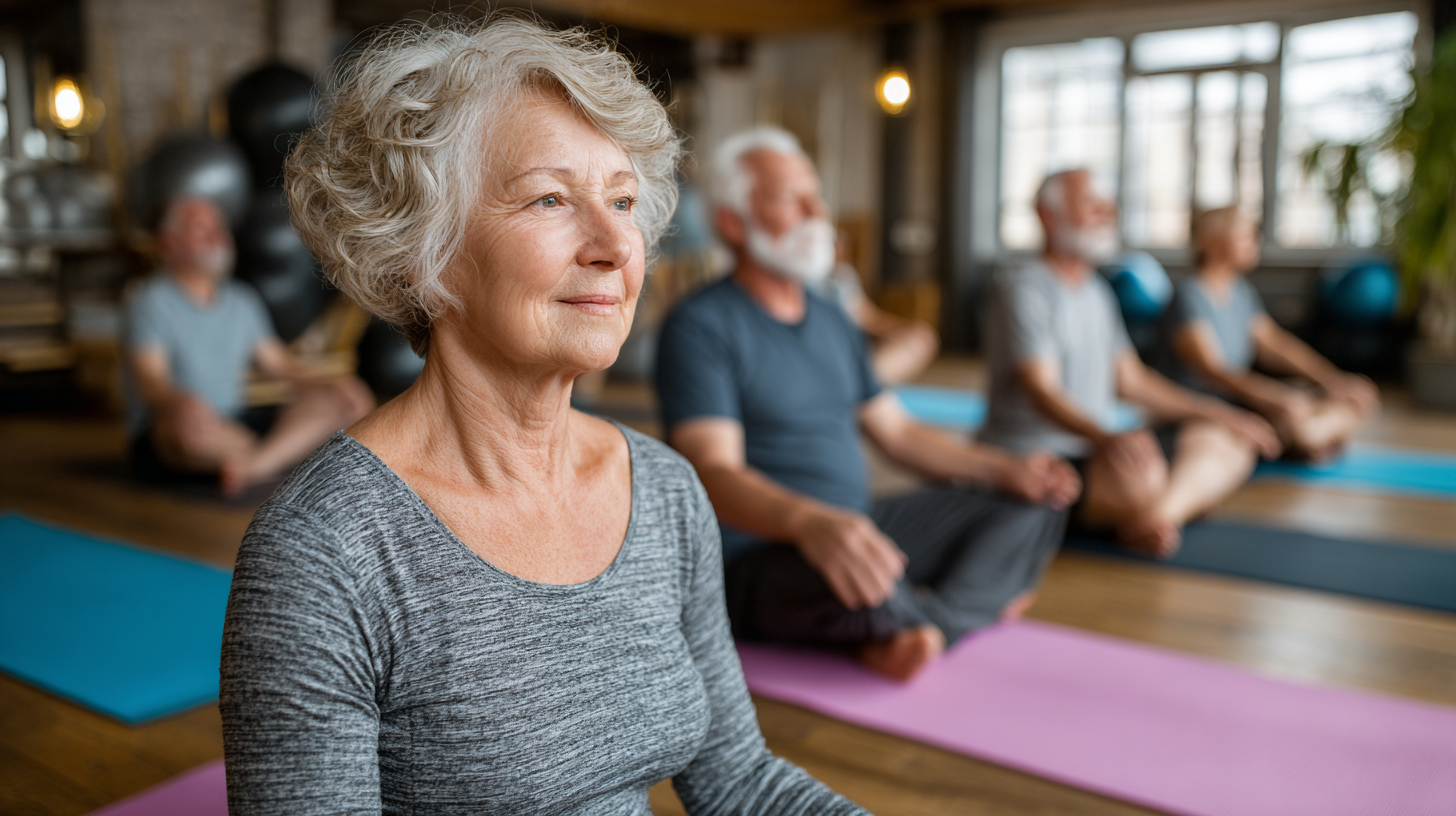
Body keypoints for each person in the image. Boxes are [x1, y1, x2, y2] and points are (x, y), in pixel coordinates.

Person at [220, 19, 865, 816]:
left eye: (622, 200)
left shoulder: (662, 490)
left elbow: (738, 782)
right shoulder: (326, 549)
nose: (613, 245)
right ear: (423, 248)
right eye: (551, 198)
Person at [656, 127, 1079, 682]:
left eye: (816, 196)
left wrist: (1006, 469)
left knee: (1034, 502)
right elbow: (712, 471)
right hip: (760, 550)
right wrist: (810, 522)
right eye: (791, 198)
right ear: (734, 223)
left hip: (857, 524)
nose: (816, 212)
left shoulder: (833, 317)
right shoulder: (700, 325)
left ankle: (923, 623)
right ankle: (942, 608)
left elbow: (898, 434)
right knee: (854, 575)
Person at [977, 170, 1281, 558]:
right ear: (1048, 216)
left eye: (1110, 207)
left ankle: (1158, 516)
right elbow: (1042, 391)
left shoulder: (1097, 293)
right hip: (1037, 456)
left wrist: (1219, 412)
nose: (1107, 215)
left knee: (1231, 438)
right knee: (1145, 477)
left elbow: (1133, 381)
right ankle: (1179, 500)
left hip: (1097, 447)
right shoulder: (1024, 288)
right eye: (1093, 206)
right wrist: (1107, 438)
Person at [123, 196, 372, 496]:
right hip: (180, 427)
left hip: (237, 423)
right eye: (202, 229)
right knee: (181, 430)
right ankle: (274, 457)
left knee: (343, 403)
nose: (217, 237)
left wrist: (332, 386)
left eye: (220, 228)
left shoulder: (242, 300)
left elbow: (280, 366)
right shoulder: (150, 300)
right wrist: (180, 403)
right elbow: (150, 382)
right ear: (169, 244)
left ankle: (253, 464)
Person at [1158, 207, 1379, 459]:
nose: (1255, 242)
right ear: (1211, 243)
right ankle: (1308, 438)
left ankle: (1308, 437)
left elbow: (1276, 346)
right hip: (1202, 409)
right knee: (1298, 417)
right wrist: (1272, 397)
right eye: (1245, 235)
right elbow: (1213, 370)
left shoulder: (1240, 292)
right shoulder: (1189, 295)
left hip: (1239, 400)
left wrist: (1333, 380)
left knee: (1351, 400)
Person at [816, 234, 939, 385]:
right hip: (825, 353)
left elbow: (869, 318)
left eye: (843, 244)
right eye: (834, 244)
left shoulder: (844, 276)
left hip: (854, 352)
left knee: (921, 338)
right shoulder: (804, 280)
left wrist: (904, 331)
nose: (841, 249)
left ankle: (857, 386)